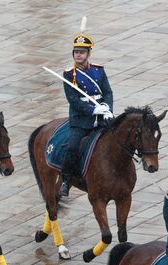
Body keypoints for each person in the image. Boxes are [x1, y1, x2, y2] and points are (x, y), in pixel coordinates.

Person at [58, 22, 113, 197]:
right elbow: (73, 100)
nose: (78, 55)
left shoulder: (98, 71)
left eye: (82, 52)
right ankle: (66, 180)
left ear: (89, 53)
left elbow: (107, 91)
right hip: (81, 119)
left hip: (102, 115)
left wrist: (107, 107)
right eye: (76, 52)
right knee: (73, 147)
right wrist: (92, 110)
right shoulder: (69, 74)